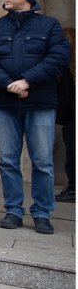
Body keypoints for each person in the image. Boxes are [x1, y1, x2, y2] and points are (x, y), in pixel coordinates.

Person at [0, 0, 69, 235]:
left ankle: (42, 212)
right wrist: (9, 84)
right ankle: (13, 211)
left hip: (40, 103)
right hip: (6, 104)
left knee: (42, 161)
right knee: (8, 160)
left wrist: (27, 81)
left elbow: (58, 58)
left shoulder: (49, 26)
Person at [56, 28, 76, 203]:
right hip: (69, 117)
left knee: (72, 154)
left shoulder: (68, 68)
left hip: (71, 117)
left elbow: (65, 95)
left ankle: (73, 188)